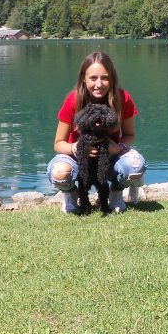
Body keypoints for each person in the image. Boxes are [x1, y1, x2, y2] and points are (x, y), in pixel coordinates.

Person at [47, 51, 146, 213]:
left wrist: (118, 148)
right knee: (60, 173)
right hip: (76, 157)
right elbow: (58, 144)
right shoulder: (73, 100)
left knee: (135, 167)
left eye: (105, 77)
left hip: (110, 156)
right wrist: (77, 148)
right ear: (83, 79)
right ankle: (71, 193)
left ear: (112, 78)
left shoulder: (123, 98)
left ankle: (116, 191)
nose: (99, 84)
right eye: (93, 78)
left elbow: (129, 135)